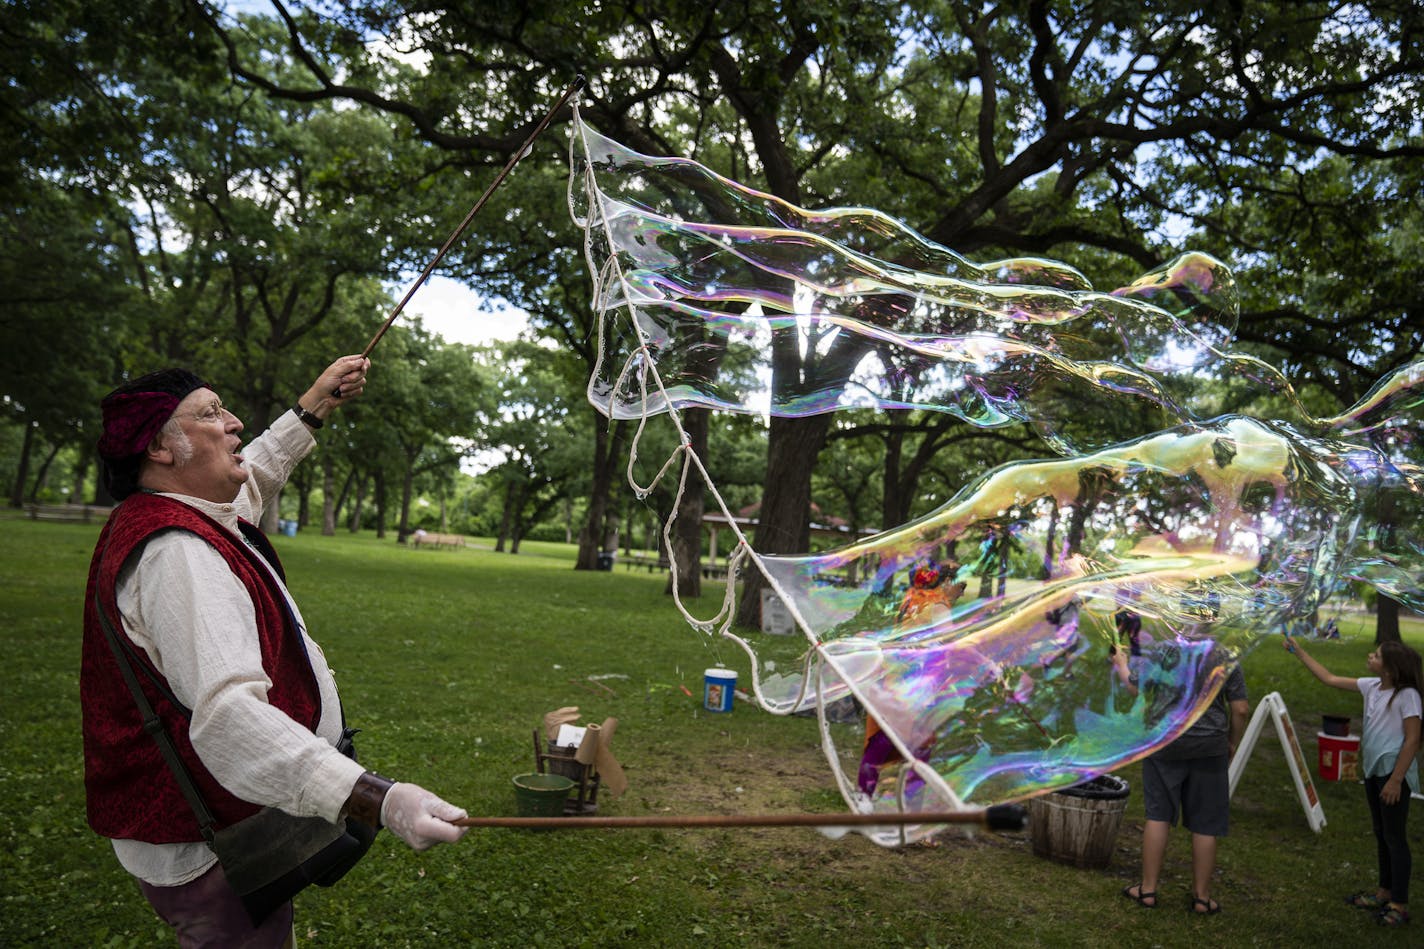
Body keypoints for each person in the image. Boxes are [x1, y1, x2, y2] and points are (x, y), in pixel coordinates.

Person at [81, 358, 469, 946]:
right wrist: (377, 799)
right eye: (212, 413)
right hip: (208, 851)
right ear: (161, 447)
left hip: (218, 830)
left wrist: (313, 408)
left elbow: (255, 473)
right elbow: (230, 718)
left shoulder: (181, 514)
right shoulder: (179, 555)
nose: (235, 422)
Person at [1285, 636, 1421, 927]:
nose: (1370, 656)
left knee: (1395, 837)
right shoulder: (1371, 686)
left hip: (1392, 773)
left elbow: (1413, 740)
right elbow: (1329, 678)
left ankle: (1399, 903)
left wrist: (1396, 780)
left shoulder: (1407, 695)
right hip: (1373, 770)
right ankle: (1384, 892)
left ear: (1390, 669)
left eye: (1376, 655)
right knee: (1381, 831)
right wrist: (1299, 651)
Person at [1122, 653, 1248, 914]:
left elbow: (1135, 688)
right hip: (1210, 746)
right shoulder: (1226, 654)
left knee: (1158, 815)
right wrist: (1232, 742)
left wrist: (1120, 663)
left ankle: (1148, 890)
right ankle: (1202, 898)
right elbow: (1240, 709)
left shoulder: (1162, 650)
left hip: (1165, 741)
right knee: (1206, 823)